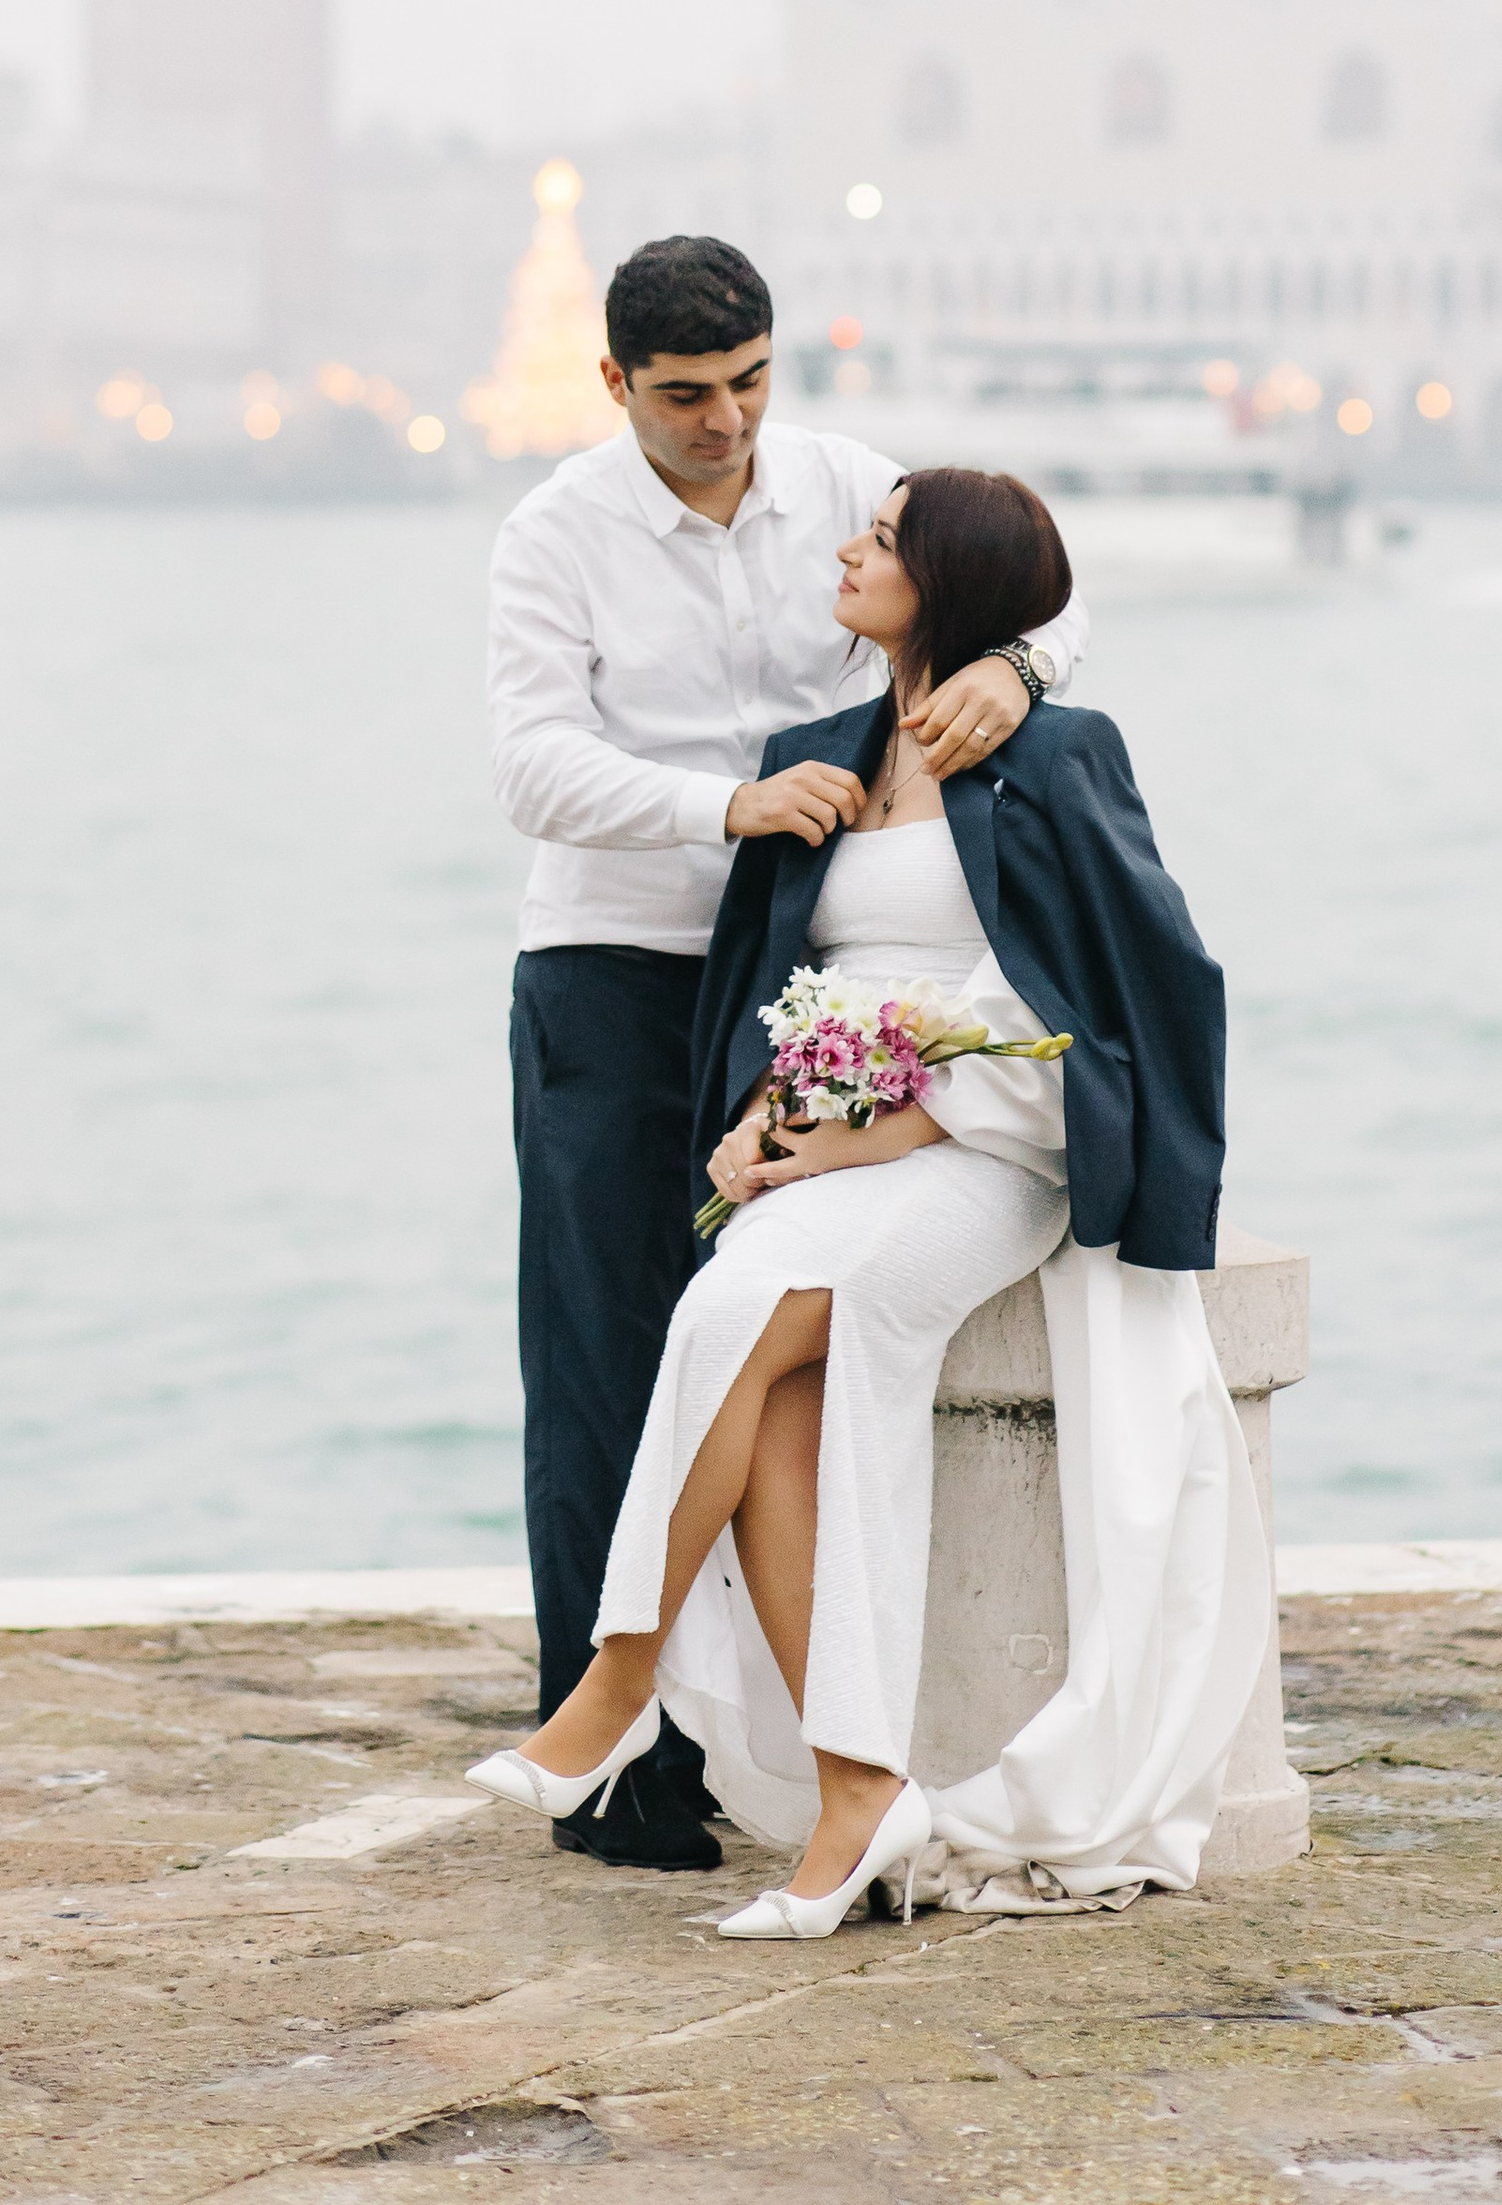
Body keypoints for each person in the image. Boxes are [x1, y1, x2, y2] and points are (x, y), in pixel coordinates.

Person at [470, 467, 1273, 1938]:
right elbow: (774, 992)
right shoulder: (815, 759)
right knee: (732, 1326)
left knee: (756, 1316)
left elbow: (1133, 1005)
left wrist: (908, 1114)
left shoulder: (1063, 754)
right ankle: (858, 1793)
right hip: (830, 1151)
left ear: (945, 585)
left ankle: (620, 1675)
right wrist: (765, 1120)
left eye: (886, 541)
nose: (848, 546)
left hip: (986, 1158)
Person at [486, 240, 1087, 1868]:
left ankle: (765, 1741)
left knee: (745, 1343)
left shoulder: (849, 484)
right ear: (616, 388)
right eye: (687, 397)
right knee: (605, 1356)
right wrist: (722, 807)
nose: (727, 422)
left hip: (799, 979)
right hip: (614, 968)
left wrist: (1013, 675)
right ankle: (619, 1765)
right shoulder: (553, 532)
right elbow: (533, 766)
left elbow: (1036, 595)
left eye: (751, 383)